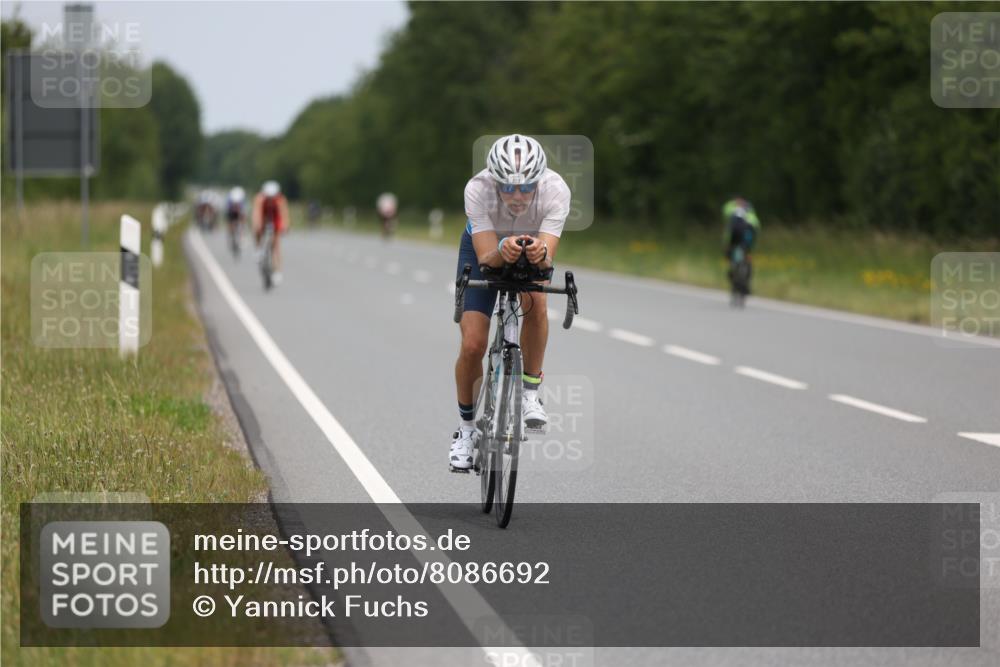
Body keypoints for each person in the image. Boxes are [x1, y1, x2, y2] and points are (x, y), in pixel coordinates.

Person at [449, 134, 571, 471]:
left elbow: (546, 260)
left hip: (529, 246)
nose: (517, 196)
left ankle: (530, 392)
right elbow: (487, 258)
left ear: (539, 180)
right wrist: (503, 249)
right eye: (508, 187)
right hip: (484, 248)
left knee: (536, 301)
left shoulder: (556, 190)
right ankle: (466, 430)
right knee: (473, 344)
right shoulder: (478, 189)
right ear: (494, 181)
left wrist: (540, 253)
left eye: (526, 187)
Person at [252, 180, 290, 285]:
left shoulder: (280, 199)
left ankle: (277, 271)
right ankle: (258, 249)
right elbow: (256, 213)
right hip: (264, 216)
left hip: (275, 217)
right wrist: (257, 225)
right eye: (268, 197)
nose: (270, 199)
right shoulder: (259, 198)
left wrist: (285, 225)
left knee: (276, 245)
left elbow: (284, 213)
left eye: (272, 197)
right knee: (257, 230)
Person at [721, 196, 761, 285]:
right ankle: (747, 270)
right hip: (750, 231)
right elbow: (756, 228)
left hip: (736, 232)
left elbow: (728, 234)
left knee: (731, 251)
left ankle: (733, 269)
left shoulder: (731, 210)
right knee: (747, 251)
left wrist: (726, 246)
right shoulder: (750, 210)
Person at [225, 186, 246, 256]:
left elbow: (243, 214)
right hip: (231, 212)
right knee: (230, 223)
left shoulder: (242, 202)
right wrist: (230, 225)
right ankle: (230, 235)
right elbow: (228, 214)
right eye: (235, 203)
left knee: (242, 222)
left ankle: (240, 236)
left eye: (237, 203)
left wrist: (242, 225)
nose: (236, 205)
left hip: (240, 212)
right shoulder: (229, 201)